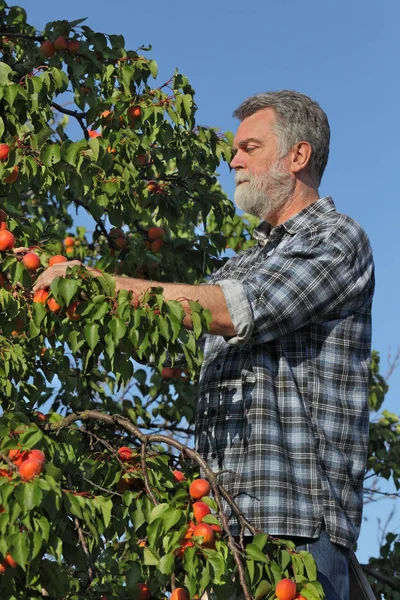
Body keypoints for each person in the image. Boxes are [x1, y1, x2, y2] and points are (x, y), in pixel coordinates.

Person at [33, 90, 375, 600]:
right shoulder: (239, 261)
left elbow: (239, 308)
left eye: (249, 147)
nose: (233, 159)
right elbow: (200, 306)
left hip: (297, 532)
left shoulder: (336, 237)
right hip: (221, 530)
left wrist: (104, 286)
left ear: (297, 156)